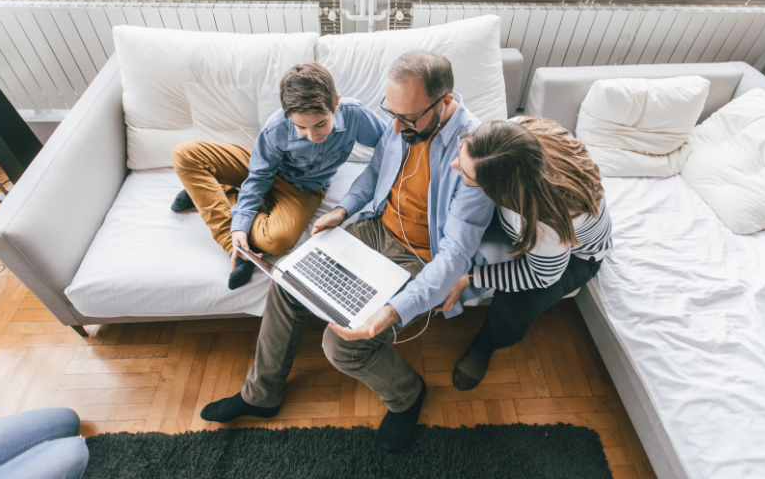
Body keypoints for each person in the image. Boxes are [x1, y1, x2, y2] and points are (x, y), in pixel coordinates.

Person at [199, 51, 495, 451]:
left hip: (421, 258)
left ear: (443, 102)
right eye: (390, 112)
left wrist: (393, 312)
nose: (393, 126)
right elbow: (375, 172)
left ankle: (407, 394)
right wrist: (342, 210)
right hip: (375, 227)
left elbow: (454, 256)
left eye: (406, 118)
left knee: (341, 346)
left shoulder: (477, 155)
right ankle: (261, 394)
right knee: (289, 279)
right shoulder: (403, 121)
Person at [171, 62, 386, 289]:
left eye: (321, 124)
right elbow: (259, 176)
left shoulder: (355, 115)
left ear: (336, 103)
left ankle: (209, 193)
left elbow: (389, 148)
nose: (312, 136)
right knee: (185, 154)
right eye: (302, 128)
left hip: (303, 188)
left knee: (277, 240)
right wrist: (240, 225)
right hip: (263, 169)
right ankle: (230, 238)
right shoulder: (276, 128)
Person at [445, 116, 613, 391]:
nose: (455, 167)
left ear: (502, 191)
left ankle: (485, 344)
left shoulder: (546, 224)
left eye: (466, 173)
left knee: (515, 306)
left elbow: (540, 275)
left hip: (575, 258)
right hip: (530, 224)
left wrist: (469, 278)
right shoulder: (515, 134)